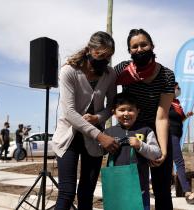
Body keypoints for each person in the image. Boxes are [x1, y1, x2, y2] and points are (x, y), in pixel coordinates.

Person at [52, 31, 119, 210]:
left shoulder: (110, 74)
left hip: (92, 141)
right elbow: (69, 113)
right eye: (101, 55)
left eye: (109, 56)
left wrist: (98, 117)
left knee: (86, 193)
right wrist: (100, 136)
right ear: (90, 50)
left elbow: (113, 104)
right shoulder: (69, 71)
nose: (105, 60)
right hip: (69, 137)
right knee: (66, 193)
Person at [114, 28, 175, 210]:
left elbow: (162, 116)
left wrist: (162, 152)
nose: (139, 49)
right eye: (134, 46)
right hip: (131, 132)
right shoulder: (122, 70)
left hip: (157, 131)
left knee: (162, 188)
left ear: (152, 46)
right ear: (129, 51)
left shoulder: (166, 75)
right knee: (130, 185)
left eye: (143, 44)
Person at [104, 92, 162, 210]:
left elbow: (156, 153)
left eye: (130, 109)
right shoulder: (108, 133)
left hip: (139, 186)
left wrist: (140, 145)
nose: (126, 113)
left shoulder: (146, 130)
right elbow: (99, 151)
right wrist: (104, 145)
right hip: (116, 185)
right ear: (114, 112)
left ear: (138, 111)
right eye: (122, 110)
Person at [169, 82, 194, 204]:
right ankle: (187, 192)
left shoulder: (177, 103)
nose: (179, 90)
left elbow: (179, 119)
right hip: (169, 134)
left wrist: (186, 116)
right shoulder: (165, 101)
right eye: (177, 88)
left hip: (176, 134)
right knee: (179, 162)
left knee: (171, 163)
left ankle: (160, 188)